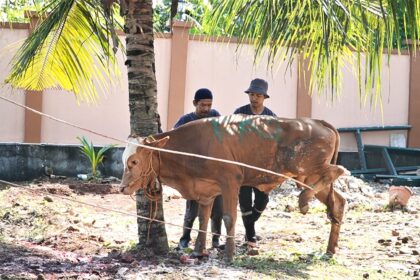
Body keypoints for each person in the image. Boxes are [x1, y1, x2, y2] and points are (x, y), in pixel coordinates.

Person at [175, 88, 224, 250]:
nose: (206, 109)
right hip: (194, 173)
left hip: (215, 172)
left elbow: (225, 137)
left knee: (217, 209)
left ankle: (216, 240)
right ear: (195, 103)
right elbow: (174, 140)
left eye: (209, 105)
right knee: (192, 210)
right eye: (202, 105)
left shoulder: (215, 117)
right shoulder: (185, 121)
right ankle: (185, 239)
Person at [233, 78, 276, 249]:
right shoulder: (239, 112)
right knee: (244, 201)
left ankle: (249, 225)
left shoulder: (271, 117)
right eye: (252, 94)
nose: (254, 98)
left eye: (258, 95)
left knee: (262, 201)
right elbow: (232, 136)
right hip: (242, 165)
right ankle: (250, 237)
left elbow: (275, 142)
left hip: (263, 167)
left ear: (264, 97)